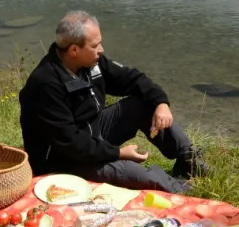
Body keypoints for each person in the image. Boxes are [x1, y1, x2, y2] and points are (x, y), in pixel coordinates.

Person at [19, 11, 204, 193]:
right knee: (133, 172)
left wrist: (161, 103)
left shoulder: (91, 63)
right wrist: (118, 153)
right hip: (63, 159)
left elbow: (134, 79)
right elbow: (71, 143)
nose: (101, 50)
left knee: (144, 103)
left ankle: (188, 161)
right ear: (74, 50)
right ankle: (184, 190)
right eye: (95, 45)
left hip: (92, 134)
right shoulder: (46, 84)